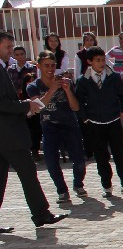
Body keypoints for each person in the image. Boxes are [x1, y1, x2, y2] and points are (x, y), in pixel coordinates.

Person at [0, 33, 67, 231]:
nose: (11, 50)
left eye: (12, 46)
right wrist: (25, 105)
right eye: (8, 47)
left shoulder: (3, 68)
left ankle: (41, 213)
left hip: (7, 133)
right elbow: (2, 103)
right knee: (28, 174)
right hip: (8, 134)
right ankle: (41, 214)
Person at [73, 46, 123, 197]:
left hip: (113, 121)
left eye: (103, 60)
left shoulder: (113, 77)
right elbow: (78, 102)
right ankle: (107, 186)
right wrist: (85, 118)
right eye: (98, 60)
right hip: (95, 124)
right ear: (89, 62)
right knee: (101, 157)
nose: (101, 63)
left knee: (120, 154)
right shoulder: (83, 80)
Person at [28, 51, 87, 204]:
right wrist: (53, 89)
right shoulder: (33, 86)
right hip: (49, 126)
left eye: (53, 65)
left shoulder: (66, 82)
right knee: (51, 161)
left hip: (69, 124)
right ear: (39, 66)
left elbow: (75, 107)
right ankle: (62, 190)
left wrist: (67, 90)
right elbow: (38, 107)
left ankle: (78, 184)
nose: (50, 69)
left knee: (79, 160)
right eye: (46, 65)